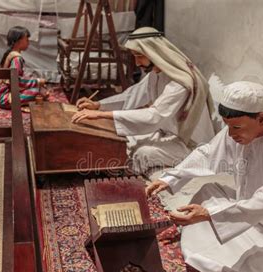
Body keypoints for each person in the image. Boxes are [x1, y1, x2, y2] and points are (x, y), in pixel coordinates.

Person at [146, 81, 263, 272]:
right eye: (228, 126)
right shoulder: (236, 132)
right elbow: (206, 154)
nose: (231, 135)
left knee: (236, 271)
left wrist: (208, 214)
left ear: (261, 118)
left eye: (237, 127)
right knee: (209, 189)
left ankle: (214, 234)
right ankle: (212, 232)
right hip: (243, 208)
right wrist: (169, 179)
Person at [71, 27, 215, 174]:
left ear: (154, 53)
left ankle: (128, 185)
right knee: (127, 138)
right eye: (134, 56)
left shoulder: (181, 83)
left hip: (191, 145)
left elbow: (155, 115)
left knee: (143, 153)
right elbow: (131, 95)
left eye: (139, 56)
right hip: (167, 133)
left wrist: (102, 115)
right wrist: (99, 105)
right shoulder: (156, 73)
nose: (137, 62)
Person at [0, 26, 48, 110]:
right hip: (4, 98)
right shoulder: (16, 59)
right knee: (40, 92)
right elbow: (16, 81)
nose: (28, 42)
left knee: (40, 89)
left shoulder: (10, 54)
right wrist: (38, 81)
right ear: (18, 41)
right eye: (26, 40)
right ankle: (16, 103)